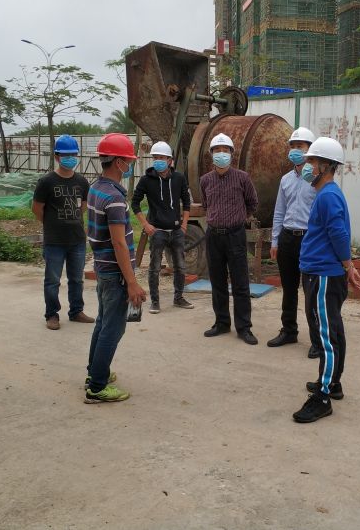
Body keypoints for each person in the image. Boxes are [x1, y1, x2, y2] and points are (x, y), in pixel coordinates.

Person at [293, 137, 360, 423]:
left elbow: (338, 234)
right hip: (321, 272)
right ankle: (333, 383)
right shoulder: (326, 194)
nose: (306, 165)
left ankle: (322, 397)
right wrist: (348, 266)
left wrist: (348, 265)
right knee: (333, 330)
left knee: (326, 336)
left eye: (311, 161)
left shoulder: (328, 195)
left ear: (326, 166)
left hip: (323, 275)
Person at [84, 133, 147, 404]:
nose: (130, 165)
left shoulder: (96, 188)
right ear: (119, 162)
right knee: (113, 328)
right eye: (129, 161)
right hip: (115, 273)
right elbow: (119, 243)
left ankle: (94, 373)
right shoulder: (115, 198)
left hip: (103, 268)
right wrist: (131, 282)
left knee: (102, 323)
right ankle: (97, 387)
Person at [200, 133, 259, 345]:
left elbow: (252, 203)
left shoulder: (243, 178)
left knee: (240, 283)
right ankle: (222, 323)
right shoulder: (205, 180)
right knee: (217, 282)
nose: (221, 154)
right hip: (213, 236)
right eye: (217, 150)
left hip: (235, 235)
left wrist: (239, 218)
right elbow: (205, 204)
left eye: (225, 150)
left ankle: (244, 327)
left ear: (232, 154)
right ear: (211, 154)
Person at [32, 134, 93, 331]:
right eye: (66, 155)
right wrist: (52, 224)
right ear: (57, 156)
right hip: (54, 241)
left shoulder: (82, 182)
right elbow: (37, 209)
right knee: (52, 281)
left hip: (77, 240)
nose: (70, 158)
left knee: (76, 279)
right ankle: (52, 314)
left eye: (73, 155)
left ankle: (76, 311)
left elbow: (83, 206)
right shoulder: (46, 181)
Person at [268, 127, 320, 358]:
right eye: (293, 146)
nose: (295, 150)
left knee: (311, 291)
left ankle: (317, 339)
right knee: (289, 289)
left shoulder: (318, 181)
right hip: (288, 238)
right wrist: (275, 241)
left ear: (310, 150)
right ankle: (289, 330)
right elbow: (279, 211)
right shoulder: (286, 180)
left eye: (300, 146)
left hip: (309, 239)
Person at [131, 140, 194, 314]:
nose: (158, 160)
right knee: (154, 267)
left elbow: (186, 202)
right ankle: (155, 302)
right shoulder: (146, 180)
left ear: (169, 160)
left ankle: (179, 298)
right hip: (157, 231)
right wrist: (145, 224)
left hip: (176, 230)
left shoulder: (179, 178)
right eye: (155, 157)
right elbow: (135, 203)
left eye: (162, 157)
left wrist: (184, 224)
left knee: (180, 266)